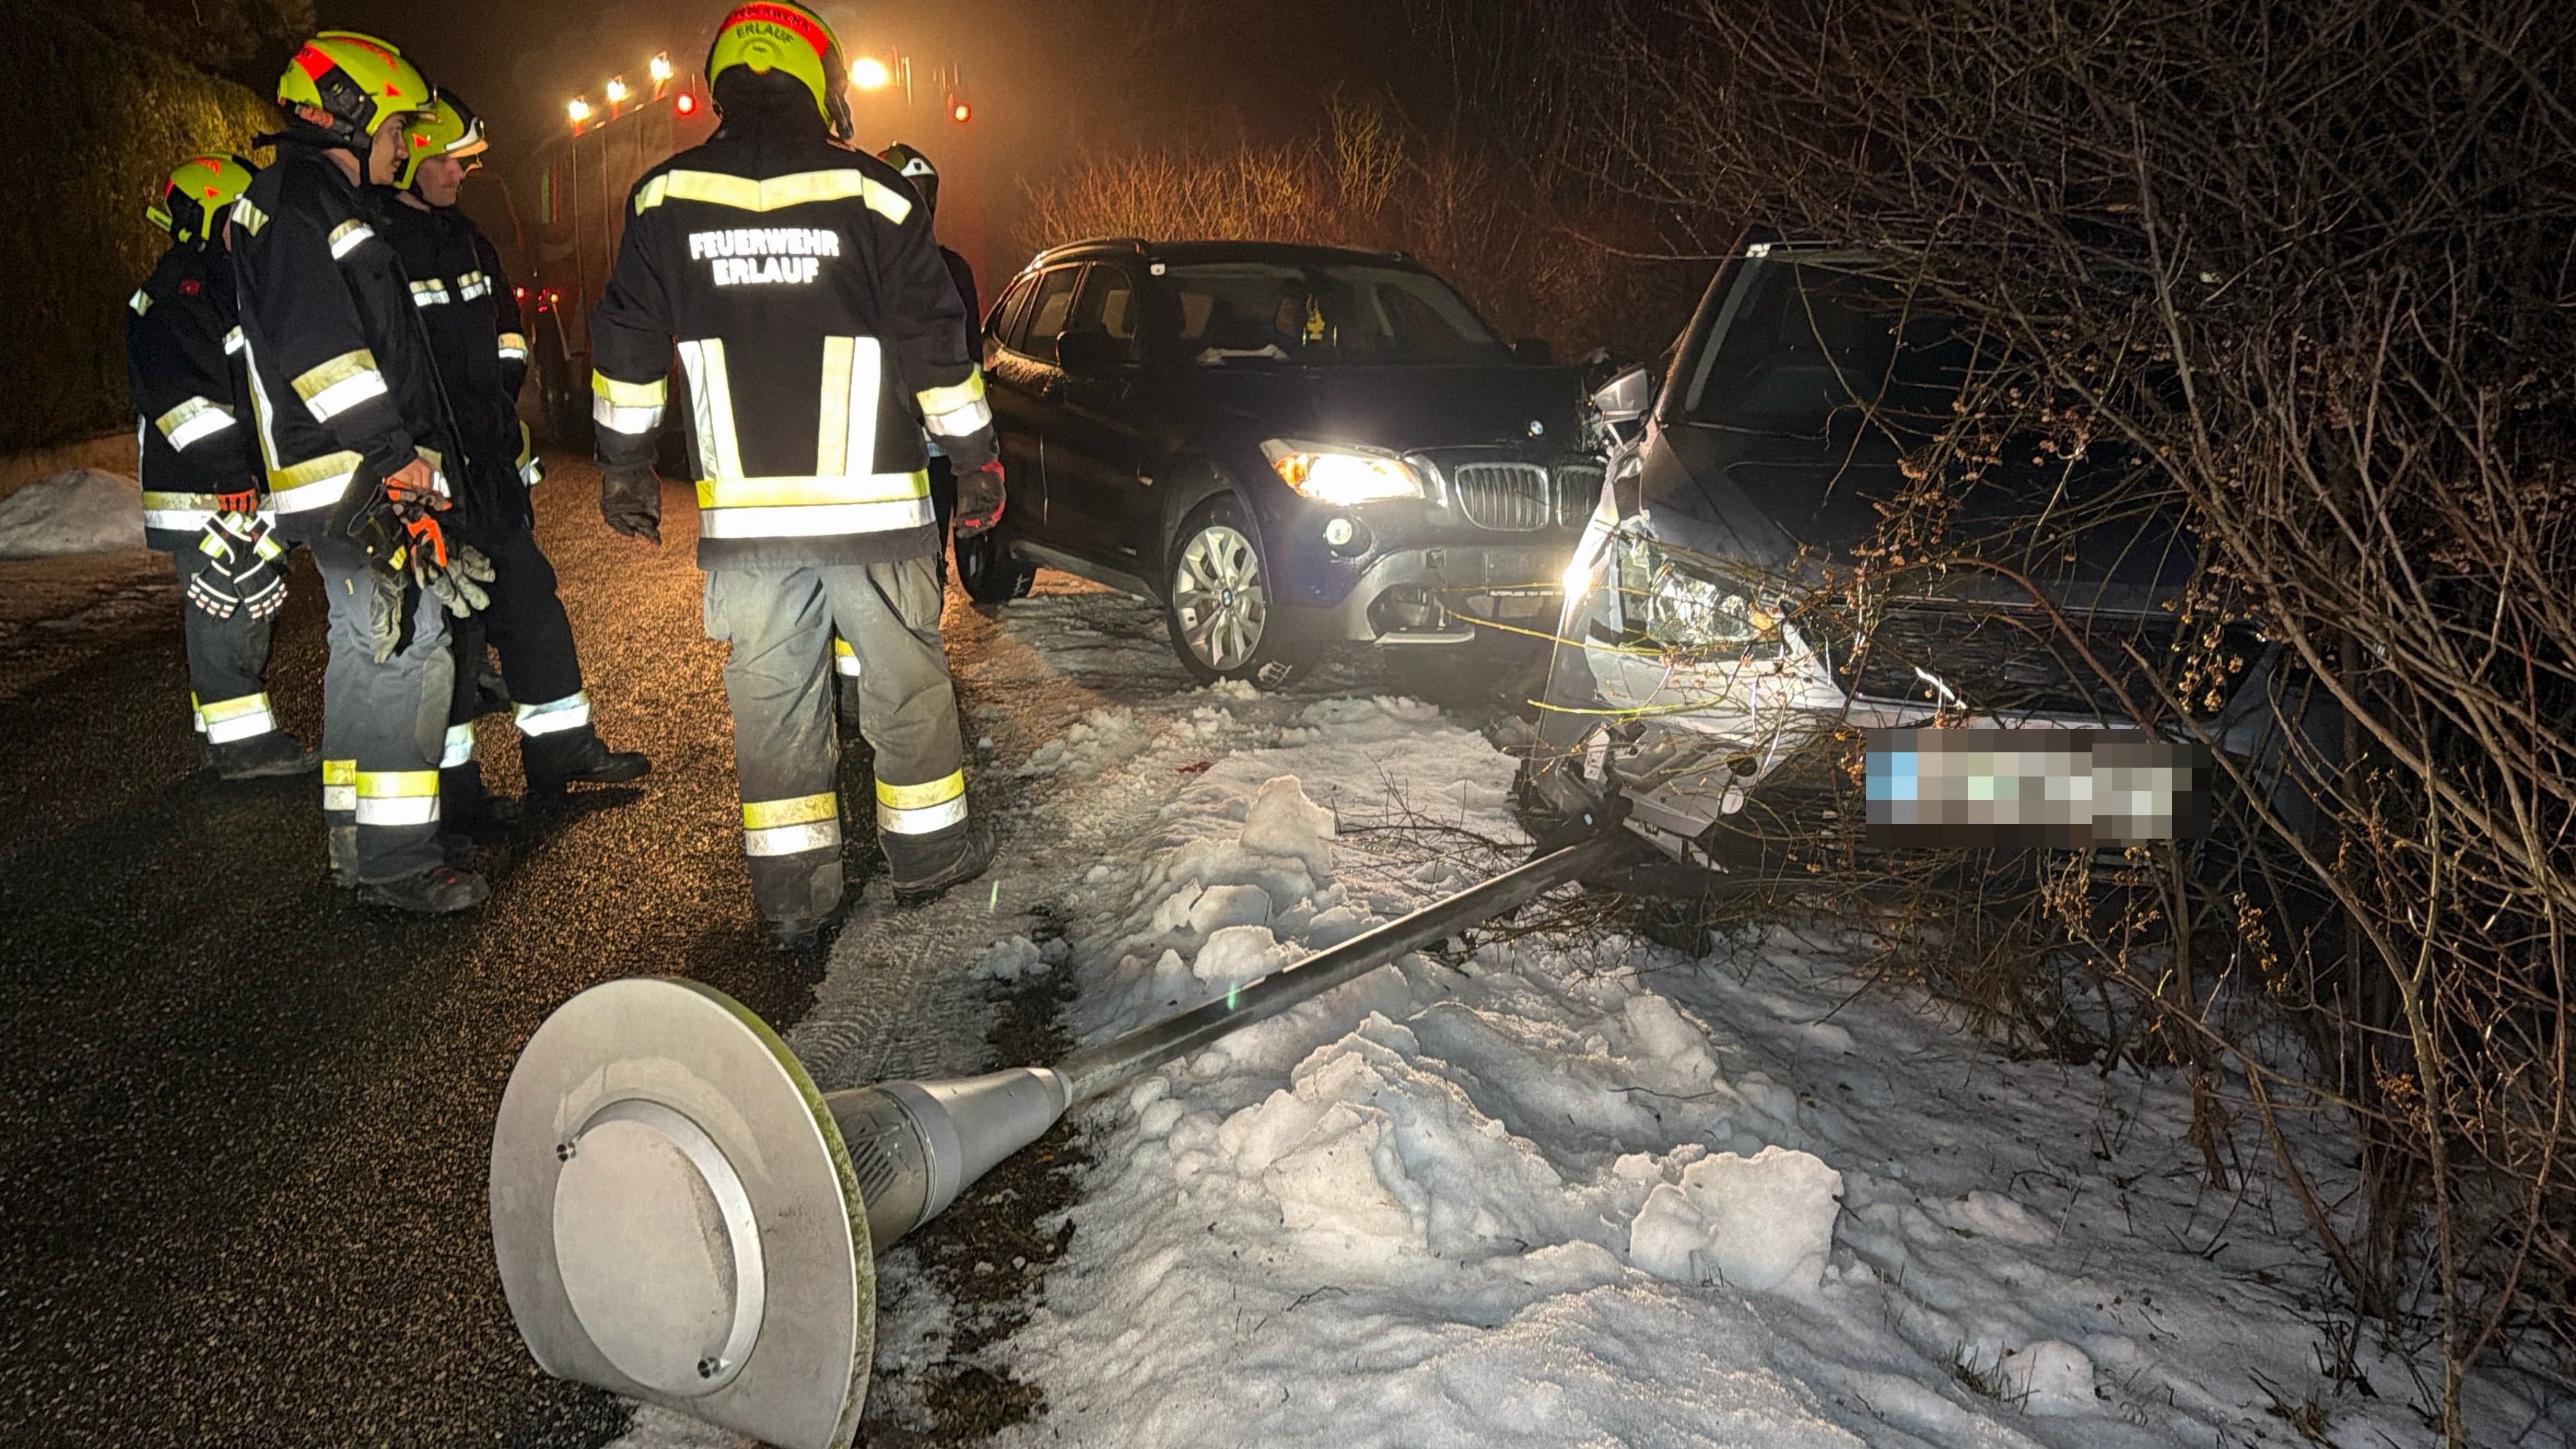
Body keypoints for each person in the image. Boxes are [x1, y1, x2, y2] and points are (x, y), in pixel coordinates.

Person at [588, 0, 1006, 950]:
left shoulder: (664, 203)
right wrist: (977, 463)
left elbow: (624, 348)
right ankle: (930, 861)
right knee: (902, 684)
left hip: (749, 528)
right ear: (823, 84)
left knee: (772, 698)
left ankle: (794, 896)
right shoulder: (880, 199)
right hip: (877, 514)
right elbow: (939, 350)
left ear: (723, 84)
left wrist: (623, 468)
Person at [231, 30, 493, 913]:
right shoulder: (309, 209)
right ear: (351, 110)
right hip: (355, 475)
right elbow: (326, 358)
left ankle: (359, 840)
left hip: (334, 476)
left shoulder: (295, 202)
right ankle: (395, 862)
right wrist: (398, 462)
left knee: (364, 647)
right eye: (397, 125)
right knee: (403, 656)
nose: (405, 143)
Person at [377, 88, 649, 823]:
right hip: (425, 481)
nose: (458, 172)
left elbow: (507, 334)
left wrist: (500, 402)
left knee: (530, 609)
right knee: (447, 639)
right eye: (445, 159)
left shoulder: (468, 241)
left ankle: (562, 753)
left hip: (488, 470)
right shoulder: (375, 251)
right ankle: (456, 798)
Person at [127, 151, 318, 781]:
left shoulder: (212, 285)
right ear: (212, 216)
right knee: (229, 613)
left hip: (227, 489)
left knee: (239, 609)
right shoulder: (181, 293)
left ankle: (224, 734)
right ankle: (241, 748)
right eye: (241, 215)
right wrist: (230, 475)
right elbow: (185, 403)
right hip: (210, 494)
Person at [876, 143, 980, 585]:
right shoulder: (854, 271)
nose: (920, 205)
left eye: (925, 194)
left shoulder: (952, 269)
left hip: (934, 444)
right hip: (876, 447)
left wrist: (973, 454)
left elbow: (968, 359)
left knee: (927, 557)